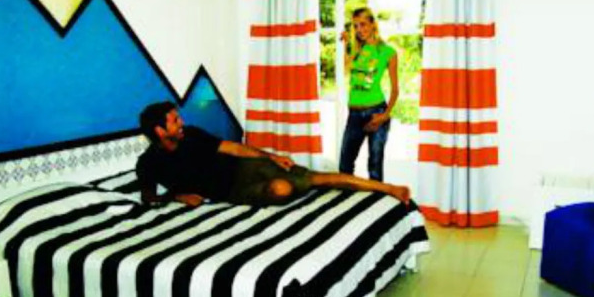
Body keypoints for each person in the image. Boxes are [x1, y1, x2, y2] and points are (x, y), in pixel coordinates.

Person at [136, 102, 410, 207]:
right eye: (175, 121)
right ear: (160, 131)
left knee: (320, 177)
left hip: (245, 167)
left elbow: (234, 148)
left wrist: (270, 157)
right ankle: (295, 187)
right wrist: (177, 196)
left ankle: (390, 188)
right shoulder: (148, 163)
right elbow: (148, 197)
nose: (181, 123)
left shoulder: (192, 134)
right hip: (233, 191)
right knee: (281, 188)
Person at [339, 7, 399, 182]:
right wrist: (346, 44)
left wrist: (385, 115)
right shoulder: (357, 49)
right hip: (354, 114)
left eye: (363, 24)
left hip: (376, 112)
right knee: (345, 166)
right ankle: (346, 199)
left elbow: (395, 89)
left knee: (375, 167)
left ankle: (376, 199)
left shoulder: (388, 52)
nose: (359, 30)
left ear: (373, 24)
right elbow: (346, 69)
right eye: (355, 26)